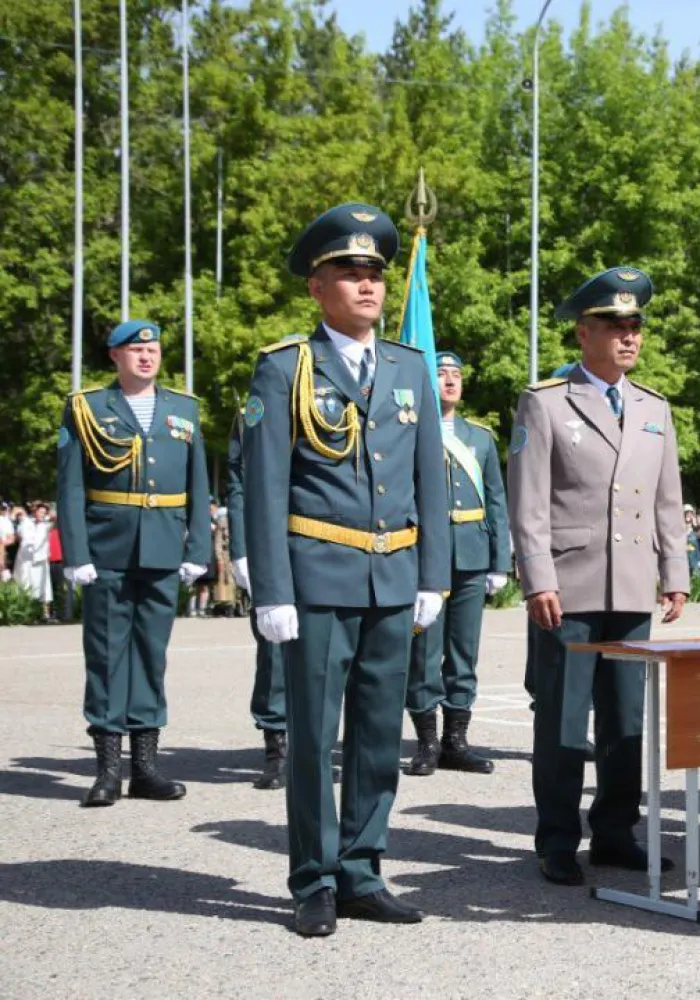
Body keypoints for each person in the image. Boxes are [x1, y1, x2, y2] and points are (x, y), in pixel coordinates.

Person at [242, 202, 450, 937]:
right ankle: (313, 880)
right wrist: (272, 589)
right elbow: (265, 483)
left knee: (375, 735)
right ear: (317, 286)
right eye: (349, 272)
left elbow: (431, 478)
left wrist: (435, 576)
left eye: (374, 274)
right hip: (318, 578)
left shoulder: (408, 366)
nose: (367, 285)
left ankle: (363, 871)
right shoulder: (284, 368)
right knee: (313, 738)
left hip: (393, 579)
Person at [508, 266, 691, 887]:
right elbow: (528, 501)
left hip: (634, 584)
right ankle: (556, 839)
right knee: (562, 719)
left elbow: (669, 498)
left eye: (635, 325)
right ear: (583, 332)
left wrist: (676, 572)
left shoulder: (653, 408)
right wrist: (537, 579)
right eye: (615, 325)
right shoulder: (546, 402)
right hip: (571, 584)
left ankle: (615, 832)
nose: (629, 336)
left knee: (626, 722)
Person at [56, 318, 211, 807]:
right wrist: (76, 553)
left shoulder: (183, 409)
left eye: (154, 349)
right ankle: (107, 770)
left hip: (163, 548)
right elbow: (70, 486)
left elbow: (199, 485)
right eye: (135, 350)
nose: (147, 356)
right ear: (115, 357)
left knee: (151, 655)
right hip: (108, 551)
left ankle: (145, 767)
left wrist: (197, 549)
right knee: (106, 655)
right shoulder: (86, 409)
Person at [404, 350, 511, 777]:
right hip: (427, 552)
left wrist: (499, 560)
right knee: (425, 652)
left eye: (456, 375)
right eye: (441, 374)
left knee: (464, 653)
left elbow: (497, 499)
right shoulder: (412, 432)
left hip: (471, 552)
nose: (450, 381)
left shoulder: (480, 437)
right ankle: (427, 743)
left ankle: (456, 740)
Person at [225, 408, 287, 790]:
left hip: (332, 541)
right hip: (272, 541)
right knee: (275, 652)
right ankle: (276, 746)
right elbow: (239, 484)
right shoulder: (253, 414)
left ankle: (315, 746)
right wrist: (242, 549)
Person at [16, 502, 54, 613]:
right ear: (35, 512)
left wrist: (51, 516)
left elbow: (54, 520)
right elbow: (21, 536)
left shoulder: (46, 525)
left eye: (44, 512)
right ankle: (28, 611)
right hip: (28, 560)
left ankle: (44, 613)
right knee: (27, 585)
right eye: (40, 511)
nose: (42, 514)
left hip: (41, 560)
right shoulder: (27, 522)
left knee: (44, 586)